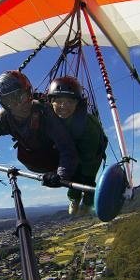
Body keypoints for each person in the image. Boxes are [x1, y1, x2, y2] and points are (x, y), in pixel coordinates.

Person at [0, 70, 78, 187]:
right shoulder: (5, 118)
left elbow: (66, 147)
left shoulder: (44, 113)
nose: (21, 104)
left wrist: (61, 176)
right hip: (31, 159)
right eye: (11, 100)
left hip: (51, 160)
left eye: (23, 96)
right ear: (4, 104)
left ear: (29, 92)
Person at [47, 76, 108, 215]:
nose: (64, 106)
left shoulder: (88, 124)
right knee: (74, 175)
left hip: (92, 155)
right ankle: (74, 198)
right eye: (59, 101)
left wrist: (70, 169)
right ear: (51, 101)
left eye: (70, 101)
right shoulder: (51, 118)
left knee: (86, 177)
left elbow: (88, 158)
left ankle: (87, 202)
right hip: (72, 151)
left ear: (77, 103)